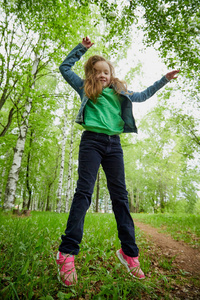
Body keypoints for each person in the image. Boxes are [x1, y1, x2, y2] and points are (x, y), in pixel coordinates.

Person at [56, 36, 180, 286]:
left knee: (120, 198)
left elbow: (143, 95)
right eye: (97, 72)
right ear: (91, 74)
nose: (102, 75)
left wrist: (164, 80)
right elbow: (64, 68)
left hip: (114, 145)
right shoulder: (84, 88)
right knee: (84, 193)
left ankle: (129, 253)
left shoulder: (120, 91)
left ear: (112, 73)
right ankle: (66, 253)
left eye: (106, 72)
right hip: (91, 141)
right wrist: (81, 49)